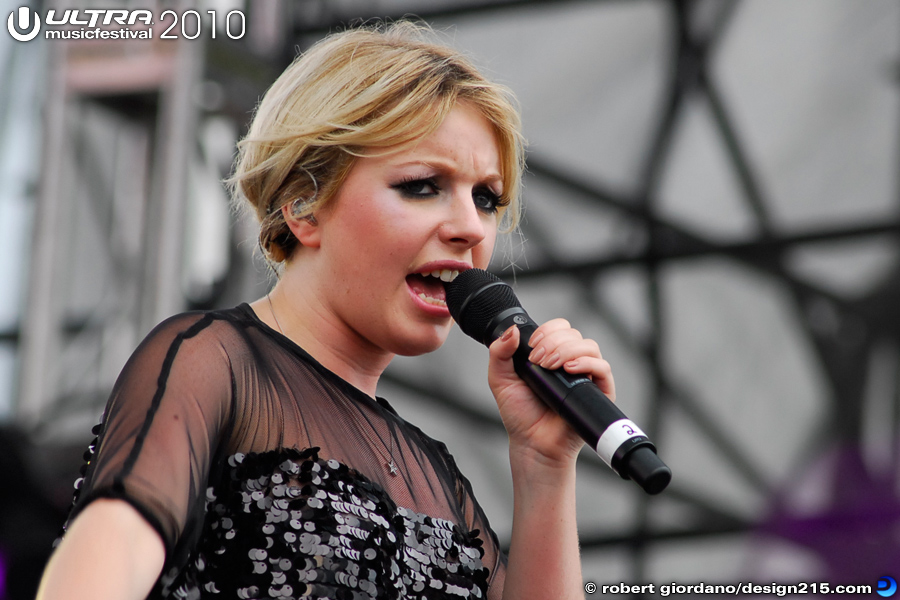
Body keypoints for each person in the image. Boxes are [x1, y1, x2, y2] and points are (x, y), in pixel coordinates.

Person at [36, 21, 614, 600]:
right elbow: (110, 553)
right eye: (421, 185)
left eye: (485, 198)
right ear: (304, 209)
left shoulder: (436, 473)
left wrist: (543, 469)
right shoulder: (211, 361)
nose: (470, 227)